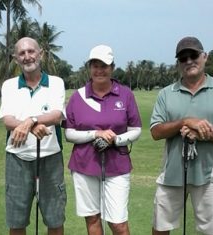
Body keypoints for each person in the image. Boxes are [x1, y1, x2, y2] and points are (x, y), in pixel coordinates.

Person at [150, 36, 213, 235]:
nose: (189, 61)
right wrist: (184, 122)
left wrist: (203, 134)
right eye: (183, 58)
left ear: (205, 57)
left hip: (210, 175)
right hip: (171, 174)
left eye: (193, 55)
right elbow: (155, 131)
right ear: (178, 63)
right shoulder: (166, 93)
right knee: (160, 228)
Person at [63, 45, 142, 235]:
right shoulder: (78, 96)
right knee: (92, 219)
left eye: (104, 65)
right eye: (95, 65)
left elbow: (136, 130)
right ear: (89, 68)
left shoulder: (125, 94)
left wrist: (116, 139)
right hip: (84, 165)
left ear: (112, 67)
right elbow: (69, 134)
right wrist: (95, 134)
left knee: (118, 224)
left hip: (117, 166)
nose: (99, 70)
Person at [0, 37, 67, 235]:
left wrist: (31, 120)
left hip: (50, 157)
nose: (27, 56)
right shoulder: (9, 85)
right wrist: (32, 125)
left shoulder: (56, 82)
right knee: (17, 219)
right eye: (21, 53)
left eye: (31, 51)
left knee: (55, 218)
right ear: (15, 58)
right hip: (17, 158)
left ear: (41, 54)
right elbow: (8, 120)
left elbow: (56, 115)